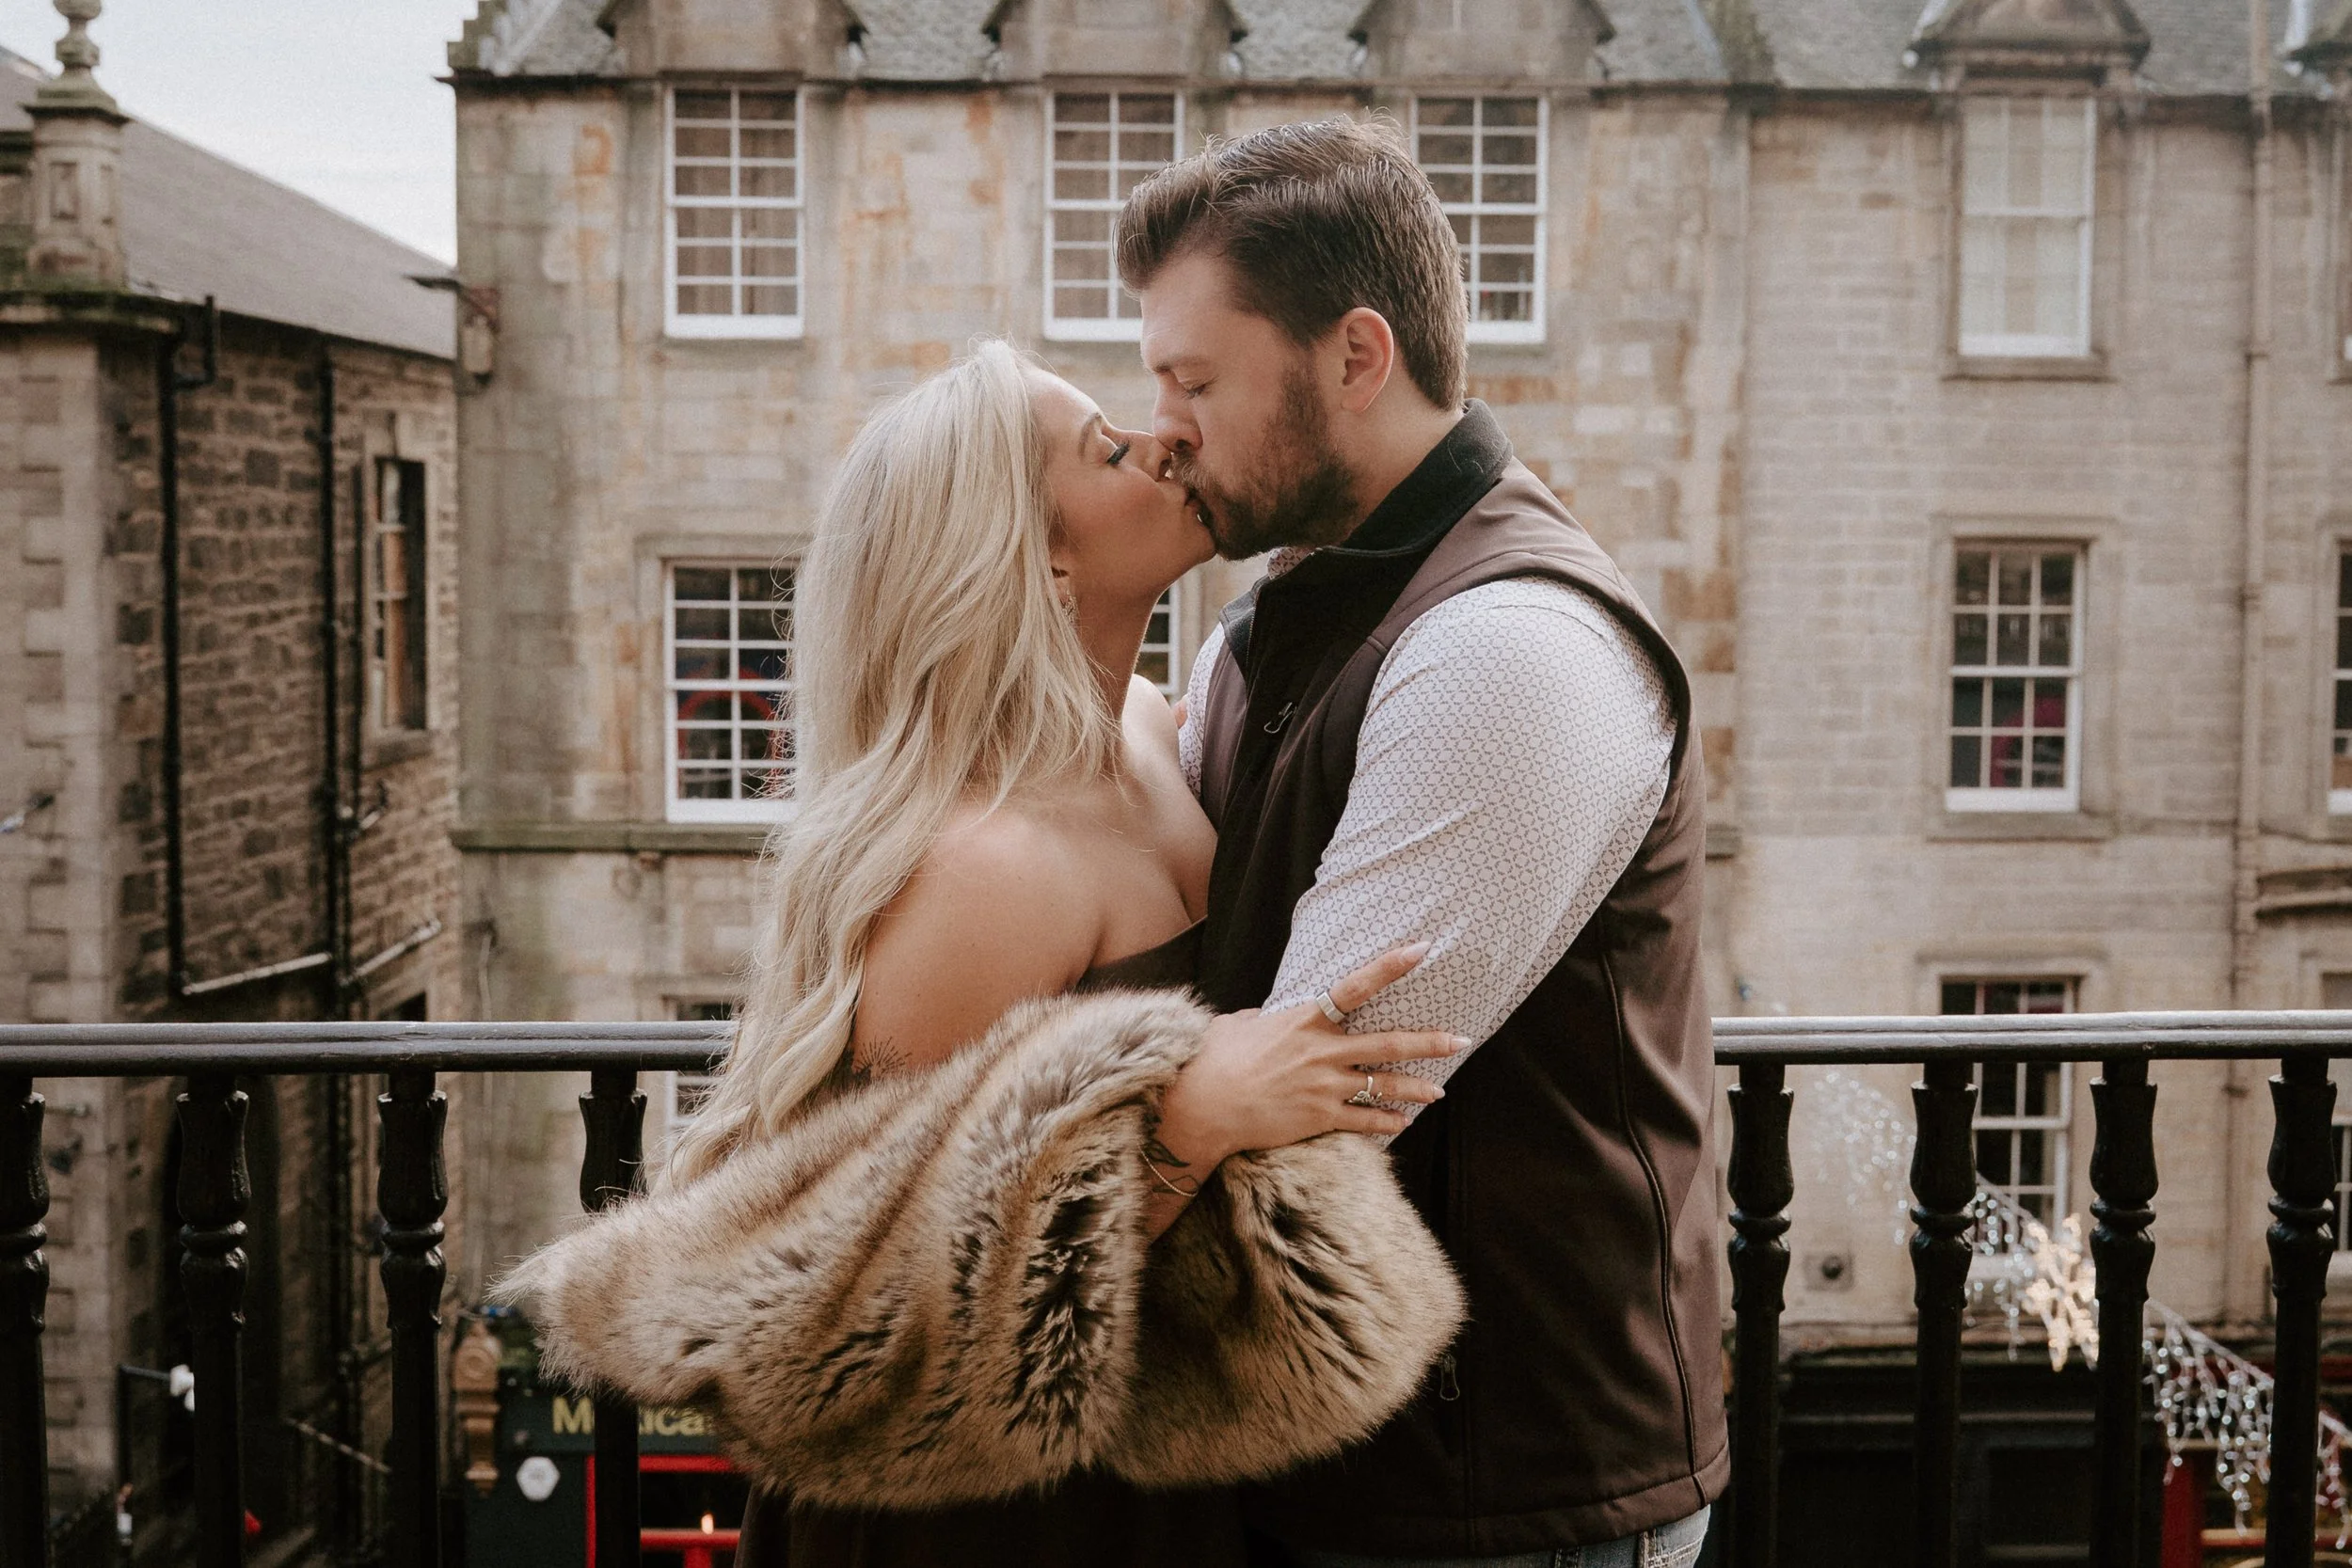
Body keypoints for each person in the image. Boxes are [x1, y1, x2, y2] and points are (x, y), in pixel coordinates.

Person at [501, 339, 1471, 1568]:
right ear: (1045, 557)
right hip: (968, 1513)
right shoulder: (985, 869)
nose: (1166, 439)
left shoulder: (1145, 728)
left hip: (1134, 1455)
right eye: (1110, 449)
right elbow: (912, 1298)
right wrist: (1195, 1115)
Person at [1115, 118, 1726, 1567]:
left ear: (1358, 357)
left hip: (1508, 1494)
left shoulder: (1512, 648)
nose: (1163, 428)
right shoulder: (1283, 617)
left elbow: (1310, 1099)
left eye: (1196, 379)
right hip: (1356, 1467)